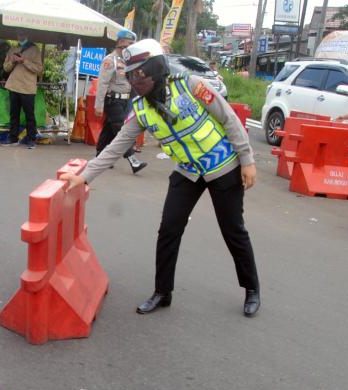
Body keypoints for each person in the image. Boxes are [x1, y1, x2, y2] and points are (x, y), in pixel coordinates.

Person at [61, 39, 261, 317]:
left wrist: (247, 160)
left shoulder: (190, 85)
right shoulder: (141, 108)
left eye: (141, 73)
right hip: (188, 172)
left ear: (156, 68)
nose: (136, 80)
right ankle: (162, 292)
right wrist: (84, 176)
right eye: (131, 75)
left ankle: (252, 289)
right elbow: (116, 146)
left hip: (223, 166)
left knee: (233, 230)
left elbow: (229, 119)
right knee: (169, 229)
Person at [95, 29, 147, 174]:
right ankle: (132, 160)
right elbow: (102, 84)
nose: (131, 46)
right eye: (129, 43)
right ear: (121, 42)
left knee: (108, 130)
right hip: (112, 100)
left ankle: (100, 155)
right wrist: (98, 105)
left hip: (125, 101)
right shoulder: (110, 60)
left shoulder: (128, 61)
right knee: (121, 130)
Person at [2, 31, 42, 148]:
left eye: (23, 34)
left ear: (27, 35)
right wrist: (13, 61)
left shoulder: (35, 50)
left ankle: (31, 139)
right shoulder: (13, 49)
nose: (20, 36)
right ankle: (12, 138)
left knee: (29, 115)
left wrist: (24, 61)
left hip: (28, 87)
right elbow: (6, 68)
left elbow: (39, 69)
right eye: (19, 34)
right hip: (13, 85)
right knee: (13, 114)